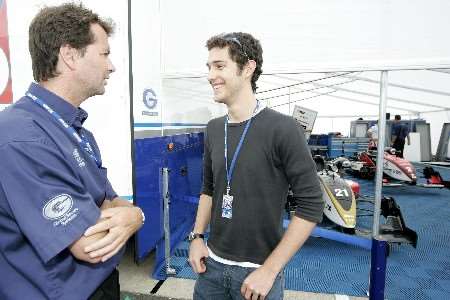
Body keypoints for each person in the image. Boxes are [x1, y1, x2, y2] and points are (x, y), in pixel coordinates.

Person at [0, 4, 144, 300]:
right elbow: (91, 244)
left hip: (102, 285)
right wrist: (136, 216)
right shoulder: (21, 139)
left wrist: (128, 213)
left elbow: (109, 200)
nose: (111, 66)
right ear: (69, 54)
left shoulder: (75, 130)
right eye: (104, 54)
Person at [188, 32, 324, 300]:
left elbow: (312, 205)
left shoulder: (283, 129)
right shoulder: (214, 129)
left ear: (248, 68)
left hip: (258, 275)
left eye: (219, 66)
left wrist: (270, 270)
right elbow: (208, 189)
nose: (210, 75)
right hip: (210, 270)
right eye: (209, 67)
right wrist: (196, 237)